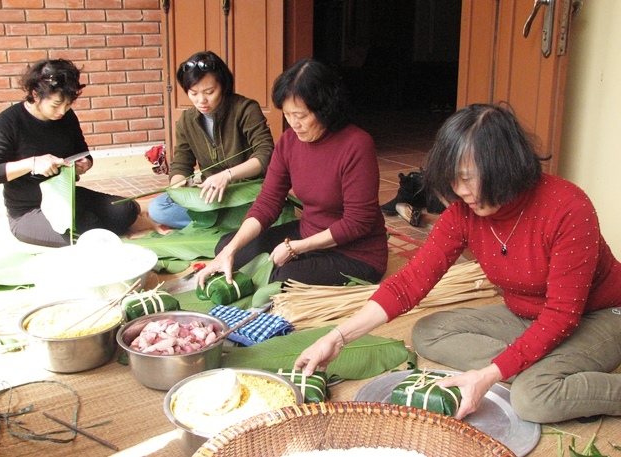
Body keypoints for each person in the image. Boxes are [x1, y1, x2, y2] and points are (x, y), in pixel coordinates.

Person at [294, 103, 621, 424]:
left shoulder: (568, 208)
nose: (460, 192)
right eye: (453, 180)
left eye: (469, 178)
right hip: (527, 313)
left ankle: (541, 374)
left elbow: (562, 314)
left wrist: (488, 375)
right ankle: (537, 364)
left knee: (533, 399)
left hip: (597, 315)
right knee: (428, 332)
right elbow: (409, 283)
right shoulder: (465, 212)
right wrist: (337, 337)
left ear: (505, 167)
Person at [195, 58, 388, 286]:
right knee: (229, 247)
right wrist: (230, 250)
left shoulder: (357, 145)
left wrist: (295, 247)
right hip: (307, 233)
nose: (293, 124)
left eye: (302, 116)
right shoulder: (289, 142)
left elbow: (358, 222)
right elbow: (268, 201)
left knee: (281, 279)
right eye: (287, 114)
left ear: (326, 110)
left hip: (354, 253)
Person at [0, 59, 139, 248]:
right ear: (35, 94)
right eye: (56, 104)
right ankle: (85, 225)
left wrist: (84, 163)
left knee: (126, 210)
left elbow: (83, 152)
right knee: (80, 235)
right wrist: (32, 163)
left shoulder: (67, 117)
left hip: (65, 197)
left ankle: (89, 222)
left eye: (68, 104)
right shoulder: (9, 122)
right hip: (29, 208)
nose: (62, 111)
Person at [147, 50, 274, 229]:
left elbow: (266, 154)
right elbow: (182, 162)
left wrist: (227, 176)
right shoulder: (186, 120)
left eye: (209, 92)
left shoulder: (245, 109)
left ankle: (218, 223)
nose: (201, 100)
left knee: (270, 207)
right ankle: (235, 224)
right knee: (158, 208)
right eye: (193, 93)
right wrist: (178, 183)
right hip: (211, 194)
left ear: (223, 85)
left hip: (248, 191)